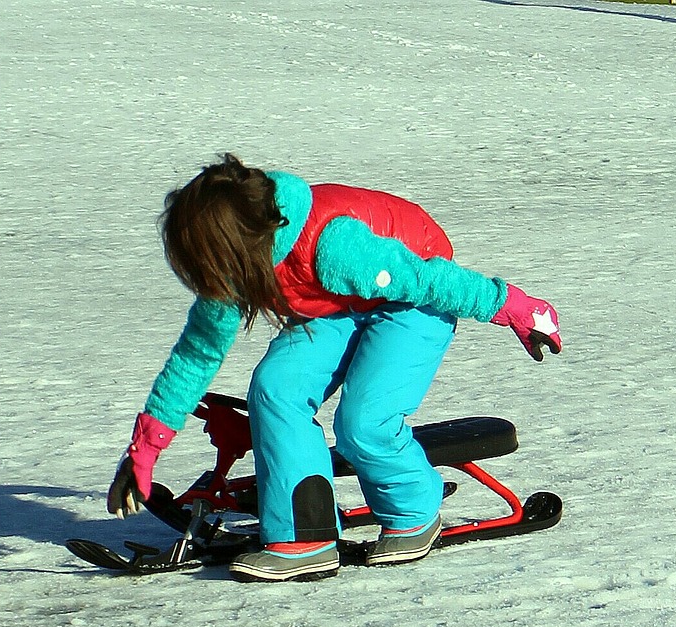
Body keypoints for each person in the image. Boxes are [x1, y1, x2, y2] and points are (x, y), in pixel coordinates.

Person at [107, 154, 561, 582]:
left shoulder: (335, 246)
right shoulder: (236, 271)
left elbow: (431, 280)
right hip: (337, 301)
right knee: (275, 388)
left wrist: (517, 309)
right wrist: (143, 451)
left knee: (364, 419)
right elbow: (195, 355)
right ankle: (306, 536)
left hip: (413, 295)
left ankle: (414, 512)